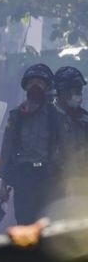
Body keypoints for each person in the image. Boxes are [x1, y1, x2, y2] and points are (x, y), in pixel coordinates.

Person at [0, 64, 59, 225]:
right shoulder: (17, 116)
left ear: (47, 87)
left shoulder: (55, 115)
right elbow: (7, 150)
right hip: (23, 175)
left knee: (46, 223)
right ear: (25, 86)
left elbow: (63, 146)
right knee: (25, 222)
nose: (35, 86)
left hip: (47, 176)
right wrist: (3, 184)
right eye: (31, 83)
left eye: (39, 82)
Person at [52, 66, 88, 198]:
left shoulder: (84, 119)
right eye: (75, 90)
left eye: (80, 90)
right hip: (53, 185)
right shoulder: (47, 117)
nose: (78, 95)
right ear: (62, 91)